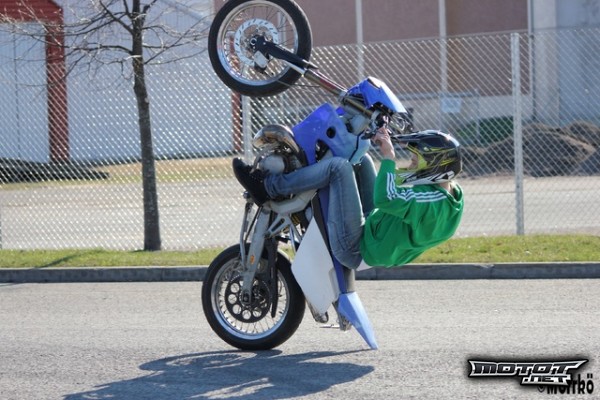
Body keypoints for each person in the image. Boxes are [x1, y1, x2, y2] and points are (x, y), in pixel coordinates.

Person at [232, 128, 464, 269]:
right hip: (376, 232)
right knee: (361, 159)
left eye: (415, 160)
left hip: (356, 247)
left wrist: (388, 157)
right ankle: (301, 180)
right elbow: (398, 189)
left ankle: (268, 187)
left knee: (338, 168)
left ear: (435, 166)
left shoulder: (428, 203)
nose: (411, 163)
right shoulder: (450, 198)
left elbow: (386, 197)